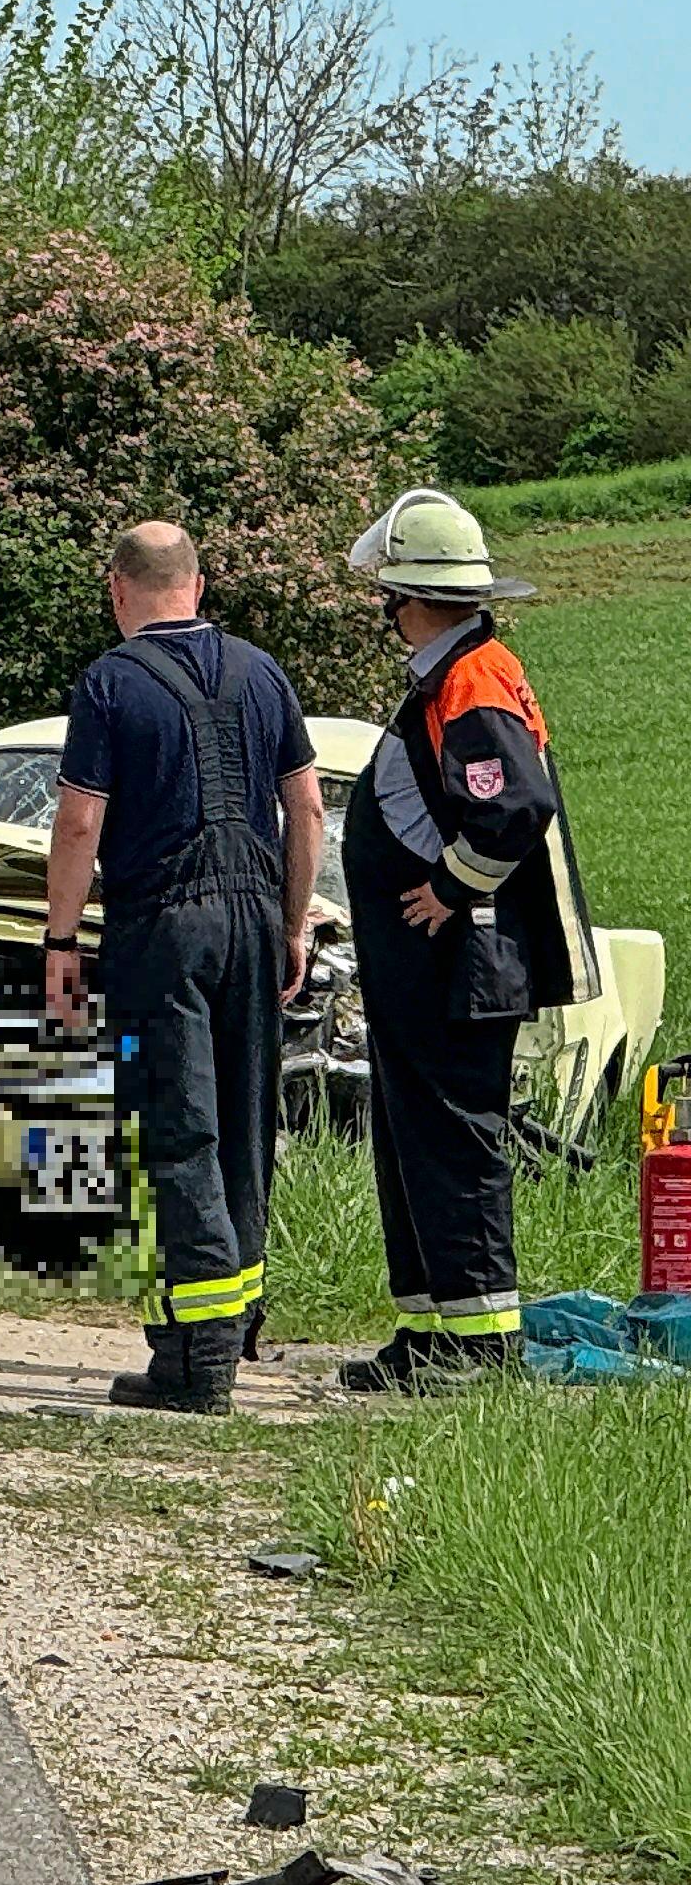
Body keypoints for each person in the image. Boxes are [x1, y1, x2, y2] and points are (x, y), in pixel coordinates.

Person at [42, 523, 322, 1415]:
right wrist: (293, 927)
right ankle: (234, 1325)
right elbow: (307, 808)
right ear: (196, 585)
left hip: (162, 924)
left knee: (179, 1129)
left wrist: (59, 942)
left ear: (119, 589)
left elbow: (81, 823)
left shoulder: (111, 682)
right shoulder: (261, 670)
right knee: (244, 1125)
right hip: (253, 917)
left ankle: (196, 1364)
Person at [336, 491, 601, 1392]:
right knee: (414, 1140)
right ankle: (429, 1336)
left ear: (409, 599)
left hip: (463, 961)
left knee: (453, 1144)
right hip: (430, 968)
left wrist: (450, 888)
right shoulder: (456, 672)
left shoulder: (471, 679)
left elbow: (514, 806)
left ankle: (477, 1350)